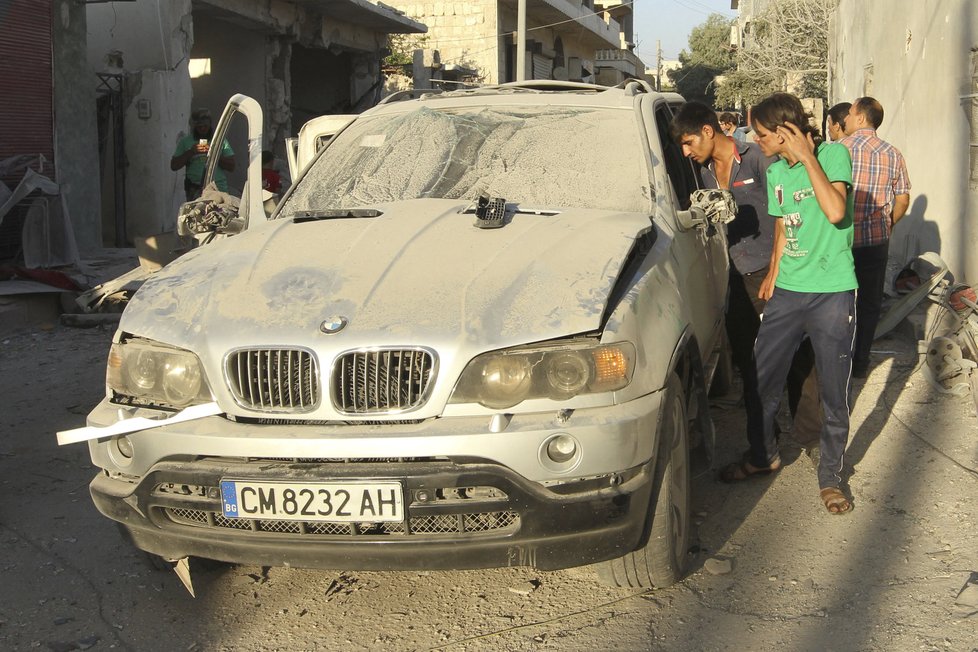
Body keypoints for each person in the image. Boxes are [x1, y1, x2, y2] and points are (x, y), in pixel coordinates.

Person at [669, 101, 823, 465]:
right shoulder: (703, 174)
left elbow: (790, 216)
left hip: (776, 276)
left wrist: (776, 271)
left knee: (799, 360)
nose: (687, 153)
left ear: (709, 131)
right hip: (734, 280)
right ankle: (764, 448)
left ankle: (814, 440)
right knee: (750, 365)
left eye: (690, 143)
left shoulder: (757, 159)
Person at [729, 92, 857, 515]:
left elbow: (836, 211)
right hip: (787, 291)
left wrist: (809, 157)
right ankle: (762, 454)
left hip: (832, 292)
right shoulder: (778, 172)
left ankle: (831, 477)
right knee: (762, 376)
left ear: (785, 132)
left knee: (834, 390)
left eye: (762, 134)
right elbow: (784, 227)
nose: (755, 140)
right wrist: (771, 275)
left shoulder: (834, 154)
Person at [841, 97, 912, 378]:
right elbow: (903, 200)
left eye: (849, 113)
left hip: (841, 241)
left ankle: (840, 362)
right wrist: (888, 224)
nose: (845, 117)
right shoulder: (893, 153)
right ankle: (861, 362)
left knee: (839, 303)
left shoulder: (838, 150)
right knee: (869, 303)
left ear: (860, 118)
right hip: (875, 241)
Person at [170, 107, 235, 201]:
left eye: (205, 126)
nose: (202, 129)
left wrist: (213, 153)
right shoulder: (185, 142)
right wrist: (191, 152)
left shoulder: (220, 141)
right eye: (199, 127)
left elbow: (231, 166)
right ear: (194, 126)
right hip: (195, 189)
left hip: (218, 188)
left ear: (210, 124)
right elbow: (174, 165)